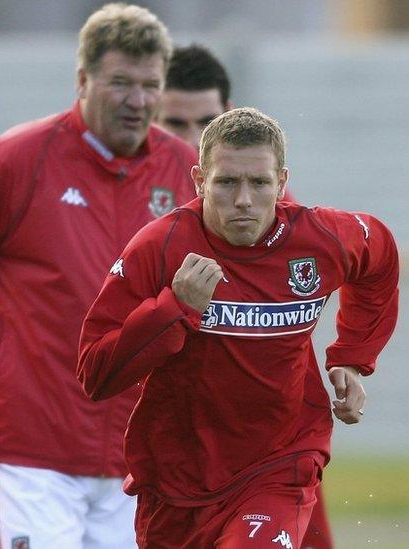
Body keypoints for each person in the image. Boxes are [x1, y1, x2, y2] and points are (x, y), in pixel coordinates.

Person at [0, 4, 197, 548]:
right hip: (35, 446)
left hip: (139, 450)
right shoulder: (9, 163)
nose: (138, 100)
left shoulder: (188, 172)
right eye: (120, 82)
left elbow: (269, 236)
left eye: (150, 85)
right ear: (83, 80)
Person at [78, 107, 399, 548]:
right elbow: (96, 373)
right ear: (199, 180)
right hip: (177, 480)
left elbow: (379, 255)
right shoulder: (161, 247)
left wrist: (353, 357)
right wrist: (174, 309)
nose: (244, 199)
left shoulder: (322, 238)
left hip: (280, 462)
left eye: (260, 183)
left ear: (281, 182)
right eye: (227, 182)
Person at [158, 44, 330, 548]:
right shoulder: (131, 211)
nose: (190, 139)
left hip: (264, 440)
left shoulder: (263, 208)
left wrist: (354, 360)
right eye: (174, 124)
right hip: (159, 437)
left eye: (204, 122)